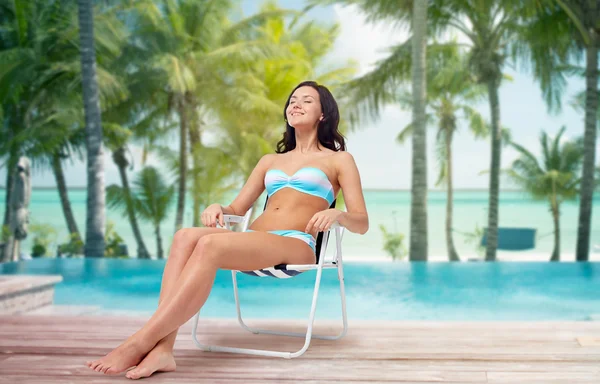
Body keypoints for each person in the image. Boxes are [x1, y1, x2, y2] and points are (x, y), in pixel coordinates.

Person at [85, 80, 369, 379]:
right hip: (254, 240)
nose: (295, 104)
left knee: (210, 246)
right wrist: (219, 208)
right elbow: (237, 209)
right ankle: (163, 350)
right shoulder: (270, 160)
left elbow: (361, 222)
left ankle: (139, 342)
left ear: (324, 114)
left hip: (295, 243)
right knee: (184, 236)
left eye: (306, 100)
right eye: (292, 99)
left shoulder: (339, 160)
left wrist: (338, 214)